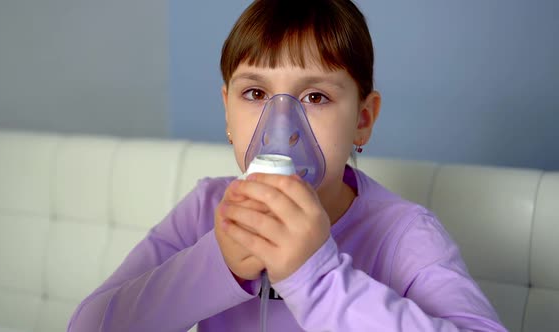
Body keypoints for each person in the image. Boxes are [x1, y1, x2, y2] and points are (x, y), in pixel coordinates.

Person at [68, 0, 508, 331]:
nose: (282, 127)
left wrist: (316, 277)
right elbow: (88, 326)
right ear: (227, 112)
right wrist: (218, 263)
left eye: (315, 97)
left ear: (362, 120)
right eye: (255, 94)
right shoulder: (205, 211)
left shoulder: (405, 235)